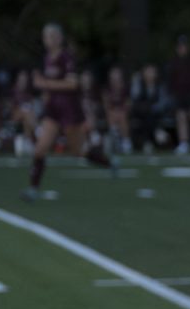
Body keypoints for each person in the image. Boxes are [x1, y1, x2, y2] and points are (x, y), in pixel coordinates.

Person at [23, 22, 113, 201]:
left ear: (59, 38)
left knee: (77, 151)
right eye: (46, 36)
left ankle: (108, 163)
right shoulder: (47, 58)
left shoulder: (66, 57)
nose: (48, 40)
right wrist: (45, 93)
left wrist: (45, 84)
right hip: (53, 109)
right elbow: (49, 85)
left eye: (52, 36)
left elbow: (72, 83)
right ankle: (33, 188)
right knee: (40, 148)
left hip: (70, 109)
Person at [130, 63, 171, 152]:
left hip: (155, 114)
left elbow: (163, 103)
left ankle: (147, 141)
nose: (150, 75)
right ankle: (156, 132)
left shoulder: (160, 85)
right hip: (140, 113)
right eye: (148, 72)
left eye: (152, 72)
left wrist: (152, 108)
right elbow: (134, 98)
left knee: (149, 114)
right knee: (145, 113)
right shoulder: (139, 84)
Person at [102, 65, 132, 153]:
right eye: (113, 74)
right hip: (110, 113)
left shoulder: (125, 87)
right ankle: (115, 138)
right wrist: (113, 111)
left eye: (117, 74)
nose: (115, 76)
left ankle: (125, 141)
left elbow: (128, 104)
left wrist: (120, 110)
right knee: (111, 114)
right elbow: (105, 104)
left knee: (122, 116)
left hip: (123, 112)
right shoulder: (107, 88)